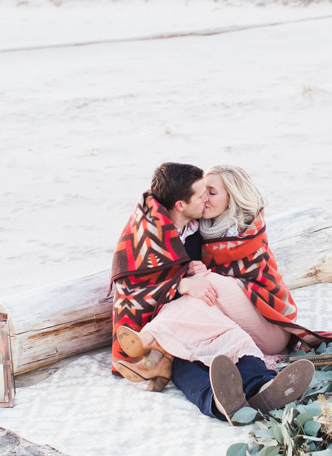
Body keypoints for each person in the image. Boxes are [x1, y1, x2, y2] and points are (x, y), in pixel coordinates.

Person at [110, 162, 317, 423]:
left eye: (211, 192)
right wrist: (184, 281)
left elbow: (251, 285)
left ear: (232, 198)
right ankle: (231, 398)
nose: (205, 199)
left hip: (270, 324)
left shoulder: (245, 230)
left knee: (205, 285)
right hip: (227, 321)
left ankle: (151, 339)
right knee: (185, 354)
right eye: (202, 193)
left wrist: (193, 278)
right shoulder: (198, 229)